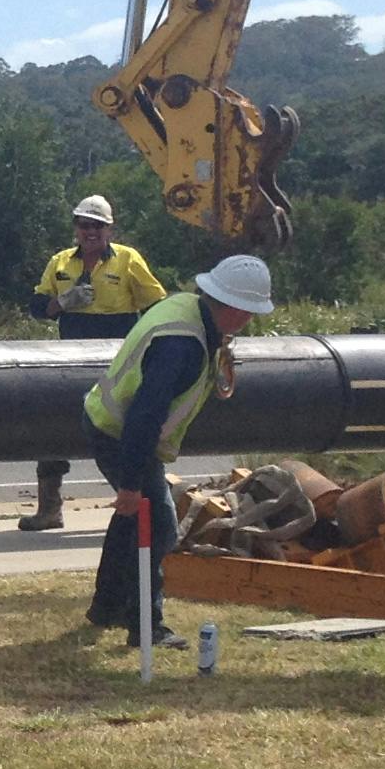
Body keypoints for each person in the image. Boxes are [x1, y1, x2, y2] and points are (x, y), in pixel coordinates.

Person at [81, 252, 275, 644]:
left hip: (111, 425)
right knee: (158, 525)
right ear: (234, 308)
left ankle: (107, 607)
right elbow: (144, 416)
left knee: (130, 520)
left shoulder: (189, 311)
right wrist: (132, 483)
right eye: (250, 311)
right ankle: (146, 627)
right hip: (121, 434)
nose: (250, 320)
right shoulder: (181, 345)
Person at [18, 194, 165, 530]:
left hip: (117, 360)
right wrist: (62, 302)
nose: (91, 231)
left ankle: (141, 499)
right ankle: (49, 509)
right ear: (76, 228)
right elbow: (38, 308)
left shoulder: (128, 260)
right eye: (84, 225)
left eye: (98, 225)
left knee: (125, 430)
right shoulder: (60, 263)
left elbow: (156, 305)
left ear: (109, 229)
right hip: (68, 357)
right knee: (54, 426)